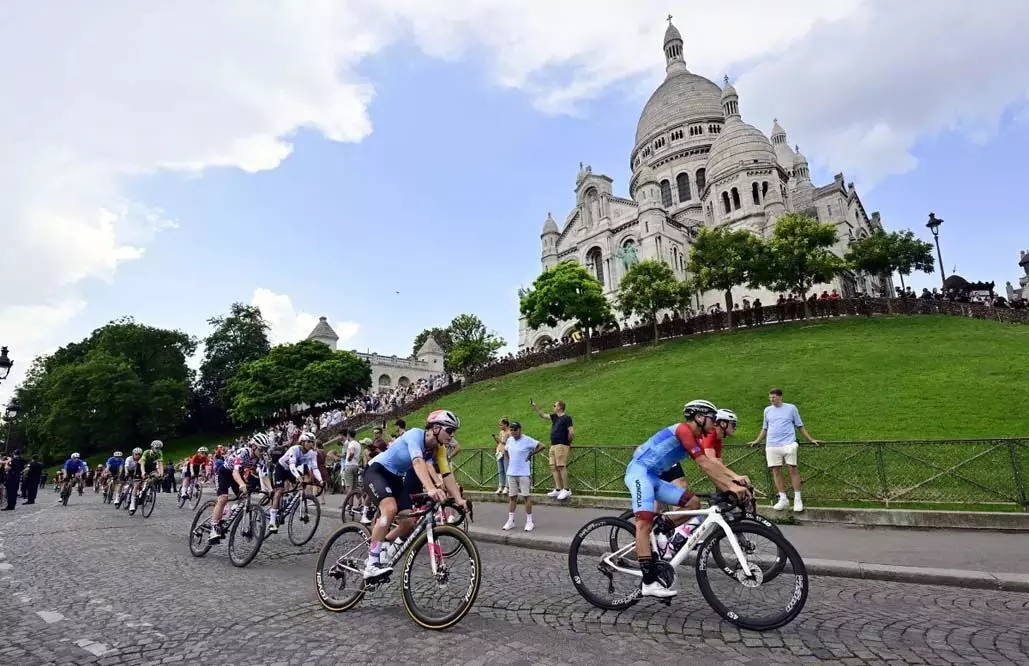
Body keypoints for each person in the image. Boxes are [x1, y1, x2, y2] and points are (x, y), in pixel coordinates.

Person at [624, 400, 751, 598]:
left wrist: (733, 479)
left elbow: (711, 463)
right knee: (643, 524)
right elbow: (703, 464)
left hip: (654, 477)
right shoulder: (683, 430)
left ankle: (660, 534)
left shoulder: (695, 437)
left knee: (693, 503)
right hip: (639, 474)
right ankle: (648, 582)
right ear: (699, 418)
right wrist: (731, 486)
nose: (714, 424)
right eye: (712, 419)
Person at [361, 409, 467, 580]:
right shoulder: (414, 435)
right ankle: (371, 564)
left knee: (409, 521)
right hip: (377, 471)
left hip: (395, 478)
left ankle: (384, 546)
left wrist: (459, 499)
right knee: (389, 509)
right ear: (436, 428)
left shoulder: (438, 449)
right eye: (449, 430)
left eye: (454, 431)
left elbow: (447, 474)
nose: (452, 436)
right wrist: (431, 488)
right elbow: (417, 462)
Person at [747, 387, 820, 512]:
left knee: (792, 469)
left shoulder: (791, 408)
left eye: (774, 397)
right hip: (772, 445)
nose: (772, 400)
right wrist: (757, 441)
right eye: (770, 397)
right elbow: (765, 428)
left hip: (788, 443)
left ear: (780, 397)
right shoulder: (767, 410)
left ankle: (797, 499)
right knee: (776, 471)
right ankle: (783, 498)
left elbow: (800, 426)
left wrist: (811, 439)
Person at [269, 431, 323, 533]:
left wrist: (320, 480)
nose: (312, 444)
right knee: (279, 491)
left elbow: (315, 468)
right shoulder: (294, 449)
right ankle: (272, 521)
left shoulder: (312, 453)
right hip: (281, 468)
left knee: (303, 485)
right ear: (302, 442)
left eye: (313, 442)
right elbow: (292, 466)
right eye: (309, 442)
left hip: (291, 470)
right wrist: (298, 477)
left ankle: (290, 502)